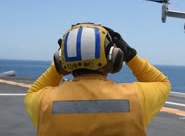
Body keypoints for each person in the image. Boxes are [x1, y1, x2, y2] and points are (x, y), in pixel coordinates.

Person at [24, 22, 171, 136]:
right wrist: (131, 56)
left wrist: (57, 67)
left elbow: (33, 92)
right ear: (115, 57)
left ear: (61, 61)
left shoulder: (42, 102)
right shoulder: (137, 98)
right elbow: (162, 83)